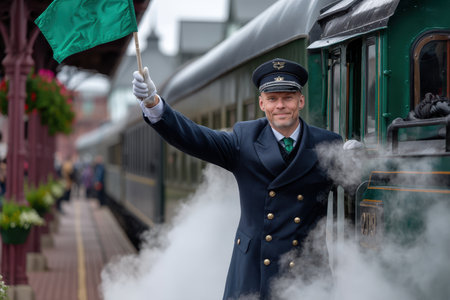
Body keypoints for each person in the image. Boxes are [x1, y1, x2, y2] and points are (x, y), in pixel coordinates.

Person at [132, 58, 343, 299]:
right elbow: (194, 137)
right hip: (254, 271)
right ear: (262, 103)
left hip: (307, 273)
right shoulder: (245, 139)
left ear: (300, 101)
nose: (281, 106)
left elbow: (355, 187)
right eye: (273, 99)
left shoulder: (328, 144)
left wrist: (359, 157)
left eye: (288, 98)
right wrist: (153, 103)